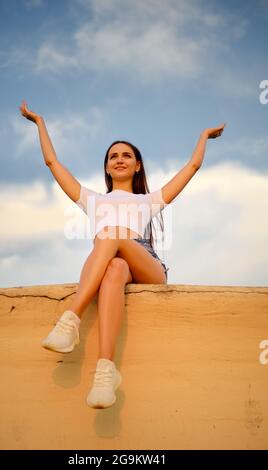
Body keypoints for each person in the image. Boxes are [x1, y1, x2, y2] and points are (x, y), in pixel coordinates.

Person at [20, 100, 225, 409]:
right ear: (106, 166)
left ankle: (70, 318)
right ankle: (105, 371)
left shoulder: (150, 201)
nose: (119, 159)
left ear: (137, 165)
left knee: (112, 233)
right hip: (112, 264)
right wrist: (39, 122)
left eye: (126, 155)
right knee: (114, 267)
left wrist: (204, 137)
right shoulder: (92, 201)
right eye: (113, 156)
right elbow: (52, 163)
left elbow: (192, 167)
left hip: (148, 265)